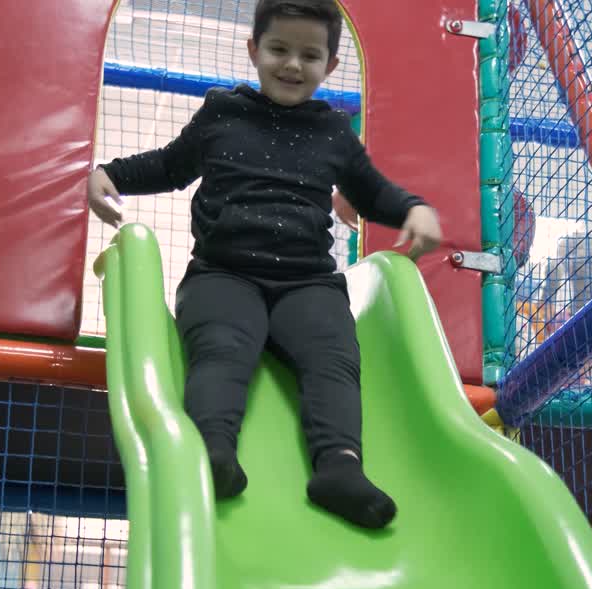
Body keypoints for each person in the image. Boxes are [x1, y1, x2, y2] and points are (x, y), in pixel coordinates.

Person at [87, 0, 443, 529]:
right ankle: (210, 452)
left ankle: (340, 468)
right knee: (222, 350)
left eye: (310, 55)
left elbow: (369, 191)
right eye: (279, 49)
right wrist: (109, 174)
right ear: (254, 50)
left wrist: (412, 207)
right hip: (223, 272)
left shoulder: (332, 131)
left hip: (307, 282)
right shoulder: (222, 113)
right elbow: (170, 165)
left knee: (334, 357)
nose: (292, 65)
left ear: (331, 65)